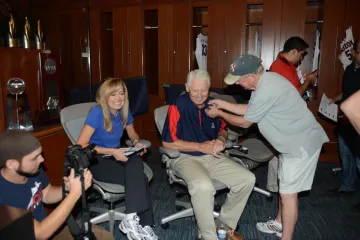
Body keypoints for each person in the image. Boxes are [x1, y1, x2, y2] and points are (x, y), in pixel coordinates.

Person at [205, 55, 329, 240]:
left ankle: (287, 237)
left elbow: (245, 123)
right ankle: (279, 223)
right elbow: (251, 109)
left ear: (251, 76)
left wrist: (220, 113)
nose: (238, 83)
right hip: (291, 143)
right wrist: (222, 104)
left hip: (300, 145)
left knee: (288, 196)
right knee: (285, 188)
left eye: (239, 79)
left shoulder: (267, 88)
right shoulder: (264, 83)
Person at [161, 70, 255, 240]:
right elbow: (168, 143)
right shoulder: (178, 105)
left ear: (209, 88)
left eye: (203, 91)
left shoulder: (212, 104)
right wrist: (200, 146)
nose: (199, 95)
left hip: (212, 156)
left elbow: (223, 130)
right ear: (187, 88)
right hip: (184, 157)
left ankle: (223, 225)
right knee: (204, 187)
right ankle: (208, 236)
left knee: (247, 179)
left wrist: (220, 139)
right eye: (195, 90)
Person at [77, 77, 158, 240]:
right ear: (105, 96)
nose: (119, 98)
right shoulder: (97, 112)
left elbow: (132, 132)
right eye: (113, 95)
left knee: (135, 162)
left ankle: (139, 223)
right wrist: (112, 151)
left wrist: (136, 143)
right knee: (139, 177)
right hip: (96, 160)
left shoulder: (124, 112)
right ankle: (138, 221)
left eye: (121, 94)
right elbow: (81, 145)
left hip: (115, 155)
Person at [0, 130, 114, 240]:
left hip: (48, 227)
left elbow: (46, 193)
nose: (42, 159)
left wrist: (68, 188)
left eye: (40, 154)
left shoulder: (31, 169)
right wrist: (75, 193)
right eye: (34, 158)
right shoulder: (3, 196)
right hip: (37, 233)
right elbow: (39, 234)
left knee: (103, 236)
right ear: (12, 164)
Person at [266, 38, 317, 193]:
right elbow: (295, 94)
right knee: (285, 153)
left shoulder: (285, 65)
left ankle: (276, 185)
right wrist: (308, 82)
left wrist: (303, 79)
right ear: (294, 51)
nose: (302, 58)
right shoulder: (282, 67)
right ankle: (282, 186)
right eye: (301, 54)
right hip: (283, 118)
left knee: (279, 153)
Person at [324, 40, 360, 200]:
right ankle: (347, 186)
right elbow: (346, 92)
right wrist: (334, 99)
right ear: (353, 53)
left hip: (357, 120)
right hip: (344, 121)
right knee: (346, 155)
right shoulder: (348, 70)